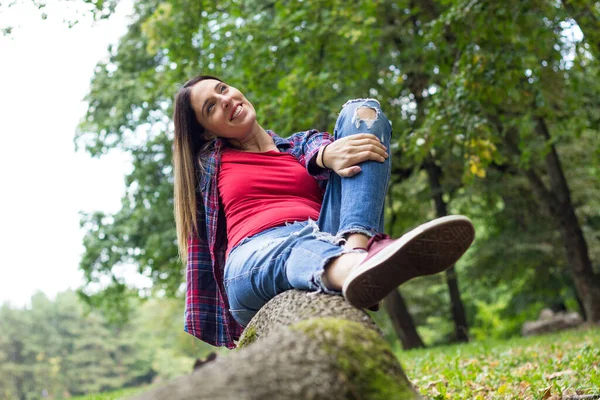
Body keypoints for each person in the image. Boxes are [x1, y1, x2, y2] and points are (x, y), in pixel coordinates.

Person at [173, 75, 475, 349]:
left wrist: (324, 155)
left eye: (223, 89)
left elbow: (316, 146)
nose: (225, 100)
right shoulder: (208, 165)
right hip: (254, 259)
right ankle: (359, 263)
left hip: (325, 237)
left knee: (363, 112)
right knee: (294, 246)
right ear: (206, 134)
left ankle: (356, 254)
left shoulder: (298, 145)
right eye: (211, 107)